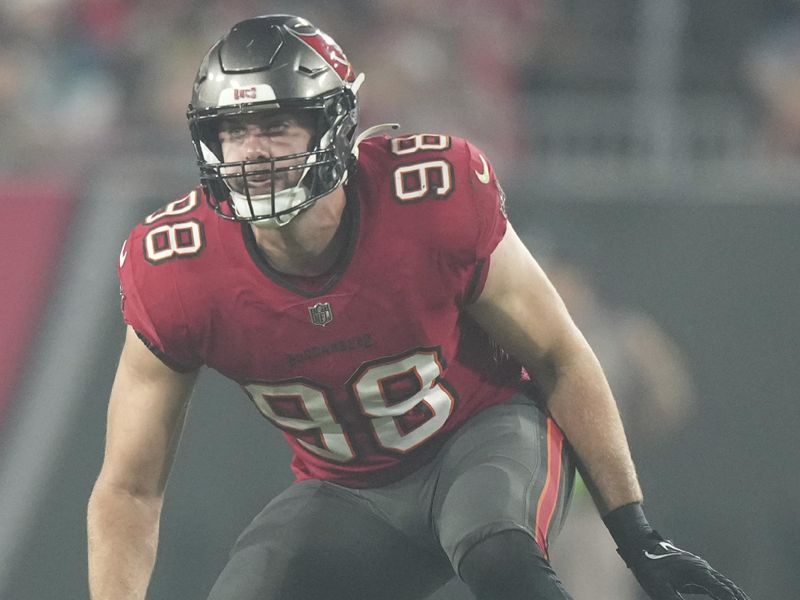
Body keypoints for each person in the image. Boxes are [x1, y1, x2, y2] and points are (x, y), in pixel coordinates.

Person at [86, 14, 751, 600]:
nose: (254, 151)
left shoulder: (429, 194)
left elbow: (556, 353)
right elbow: (129, 486)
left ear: (334, 125)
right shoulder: (174, 266)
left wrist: (635, 532)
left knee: (498, 554)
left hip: (483, 437)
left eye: (277, 126)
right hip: (348, 491)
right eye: (235, 131)